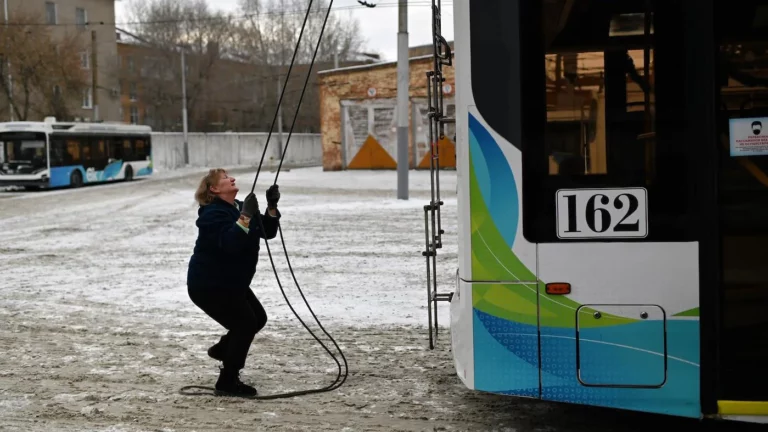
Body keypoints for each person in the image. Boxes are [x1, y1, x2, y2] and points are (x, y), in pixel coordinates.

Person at [187, 168, 281, 398]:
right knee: (245, 324)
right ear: (214, 189)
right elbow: (230, 243)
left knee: (258, 318)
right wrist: (245, 217)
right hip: (209, 285)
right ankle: (227, 381)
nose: (233, 179)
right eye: (226, 178)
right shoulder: (211, 214)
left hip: (232, 282)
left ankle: (223, 349)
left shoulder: (238, 207)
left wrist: (271, 207)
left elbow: (267, 232)